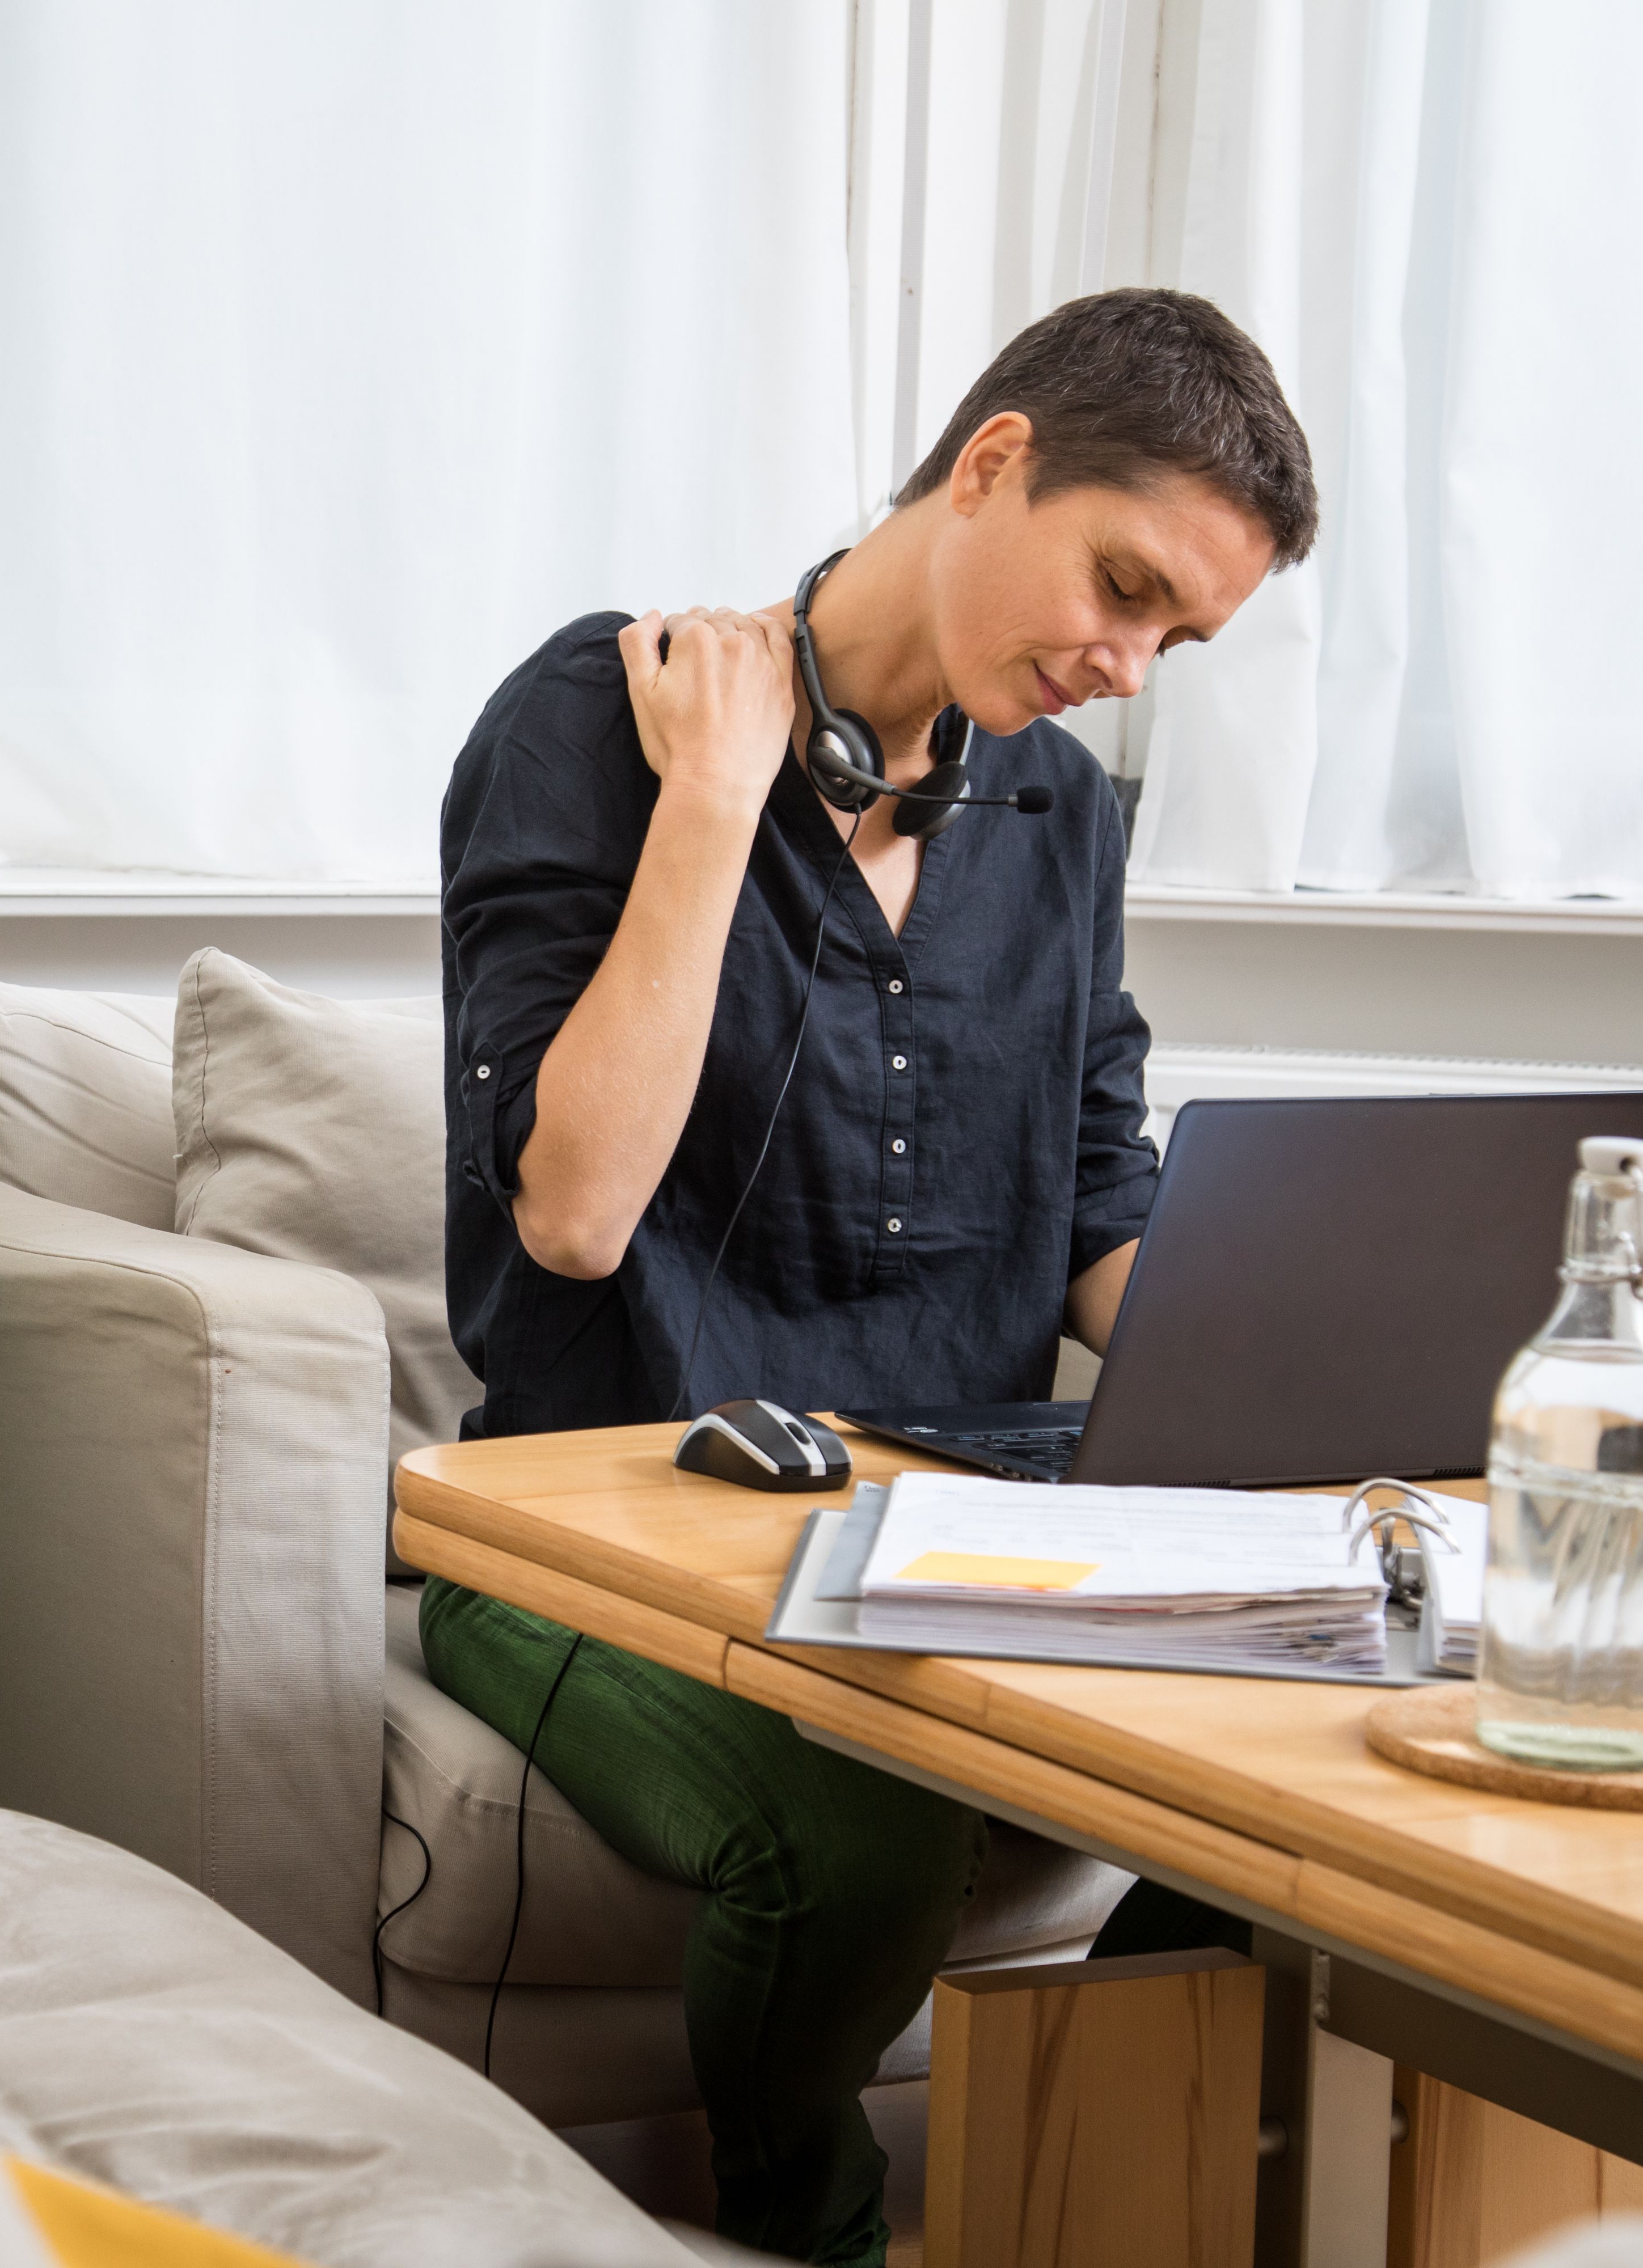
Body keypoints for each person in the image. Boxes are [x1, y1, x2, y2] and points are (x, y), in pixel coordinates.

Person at [428, 286, 1317, 2267]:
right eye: (1123, 586)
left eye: (1177, 637)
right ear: (992, 459)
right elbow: (572, 1213)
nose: (1129, 663)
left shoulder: (1062, 809)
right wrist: (719, 804)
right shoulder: (599, 718)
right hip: (588, 1523)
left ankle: (1083, 2208)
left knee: (1331, 1794)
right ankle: (798, 2235)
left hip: (969, 1527)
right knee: (866, 1825)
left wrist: (1305, 1377)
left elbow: (1097, 1194)